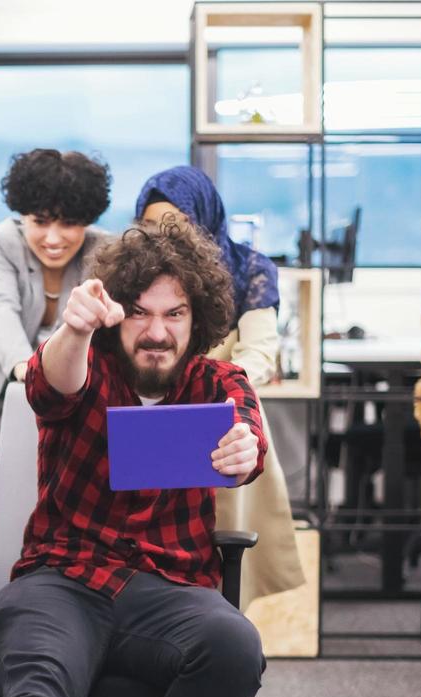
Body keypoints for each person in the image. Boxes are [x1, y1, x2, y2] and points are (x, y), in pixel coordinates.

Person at [0, 219, 267, 697]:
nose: (156, 332)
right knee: (41, 677)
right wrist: (73, 329)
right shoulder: (87, 365)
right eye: (139, 314)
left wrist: (243, 453)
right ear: (118, 318)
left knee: (236, 647)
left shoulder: (215, 380)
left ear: (198, 319)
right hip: (62, 577)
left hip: (164, 592)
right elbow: (51, 386)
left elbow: (247, 433)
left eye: (174, 315)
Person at [0, 148, 112, 641]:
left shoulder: (107, 251)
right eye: (40, 221)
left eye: (70, 223)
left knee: (69, 548)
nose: (54, 237)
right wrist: (27, 368)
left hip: (74, 431)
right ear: (21, 214)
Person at [136, 165, 305, 605]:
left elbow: (259, 352)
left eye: (178, 223)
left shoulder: (249, 269)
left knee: (223, 549)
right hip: (151, 411)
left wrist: (212, 386)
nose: (165, 235)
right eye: (151, 225)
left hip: (222, 418)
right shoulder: (135, 272)